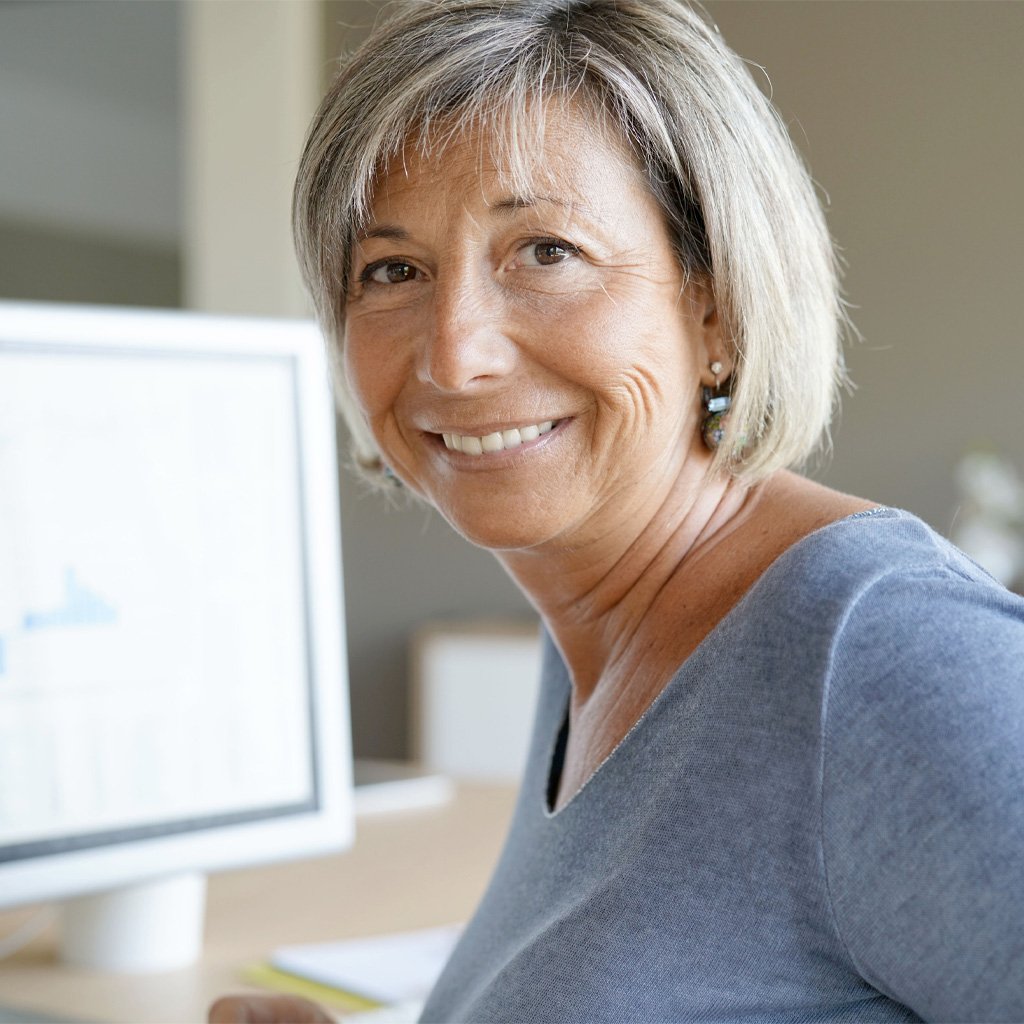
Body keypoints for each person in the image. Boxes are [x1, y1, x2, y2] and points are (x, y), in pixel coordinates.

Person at [211, 0, 1024, 1021]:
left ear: (715, 304)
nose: (455, 351)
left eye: (545, 251)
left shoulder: (883, 656)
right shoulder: (594, 637)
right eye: (393, 271)